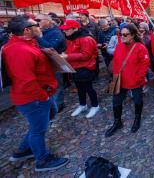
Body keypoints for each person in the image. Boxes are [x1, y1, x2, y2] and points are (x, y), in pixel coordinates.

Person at [4, 15, 69, 171]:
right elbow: (27, 81)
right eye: (36, 24)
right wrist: (44, 97)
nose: (39, 26)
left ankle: (24, 151)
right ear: (27, 30)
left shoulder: (27, 43)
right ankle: (42, 160)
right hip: (34, 98)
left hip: (41, 95)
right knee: (38, 130)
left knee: (45, 119)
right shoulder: (19, 50)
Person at [105, 24, 150, 137]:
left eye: (125, 34)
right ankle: (117, 122)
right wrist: (115, 77)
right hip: (121, 80)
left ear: (133, 35)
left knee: (137, 100)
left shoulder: (140, 47)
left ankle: (137, 118)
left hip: (135, 80)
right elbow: (115, 62)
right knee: (116, 101)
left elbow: (145, 64)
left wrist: (139, 78)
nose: (122, 36)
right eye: (121, 34)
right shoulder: (119, 46)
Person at [60, 19, 100, 118]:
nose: (64, 31)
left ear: (75, 29)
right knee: (79, 88)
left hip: (86, 67)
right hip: (75, 68)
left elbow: (86, 55)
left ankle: (95, 105)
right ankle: (83, 105)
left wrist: (67, 56)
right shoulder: (70, 38)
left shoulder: (86, 39)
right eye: (64, 29)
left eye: (67, 29)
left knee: (89, 88)